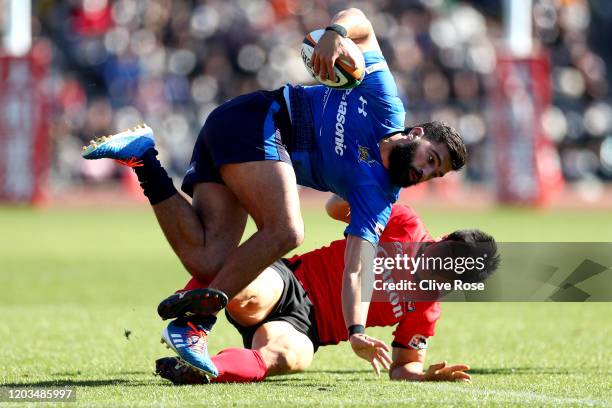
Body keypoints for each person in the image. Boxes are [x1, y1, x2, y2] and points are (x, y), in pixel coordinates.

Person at [82, 7, 467, 377]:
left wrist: (355, 331)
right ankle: (196, 325)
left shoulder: (381, 196)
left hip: (243, 149)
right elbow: (361, 21)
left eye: (434, 172)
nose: (424, 171)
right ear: (417, 133)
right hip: (259, 119)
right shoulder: (386, 105)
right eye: (431, 158)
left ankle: (144, 160)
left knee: (207, 259)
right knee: (286, 230)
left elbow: (356, 269)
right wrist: (336, 33)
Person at [154, 204, 499, 384]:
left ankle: (204, 370)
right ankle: (189, 307)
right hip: (292, 282)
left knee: (293, 358)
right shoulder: (404, 223)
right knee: (250, 292)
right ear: (444, 239)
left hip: (307, 329)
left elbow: (403, 367)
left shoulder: (427, 307)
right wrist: (364, 195)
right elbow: (337, 207)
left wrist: (422, 376)